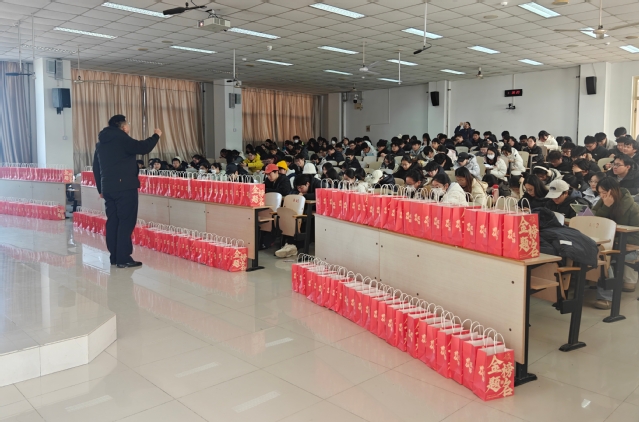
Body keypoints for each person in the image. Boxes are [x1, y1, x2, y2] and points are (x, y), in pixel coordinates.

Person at [92, 115, 161, 268]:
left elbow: (96, 167)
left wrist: (101, 189)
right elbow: (143, 147)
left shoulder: (101, 144)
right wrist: (156, 135)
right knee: (126, 221)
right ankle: (123, 258)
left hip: (108, 188)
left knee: (113, 221)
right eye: (128, 124)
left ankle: (115, 256)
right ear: (123, 127)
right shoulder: (122, 138)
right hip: (125, 187)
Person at [592, 177, 639, 308]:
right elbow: (594, 221)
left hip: (626, 246)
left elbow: (636, 237)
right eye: (600, 193)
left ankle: (605, 296)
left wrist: (612, 239)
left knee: (604, 256)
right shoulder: (602, 202)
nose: (602, 196)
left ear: (613, 191)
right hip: (604, 242)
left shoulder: (632, 207)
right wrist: (606, 207)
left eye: (604, 193)